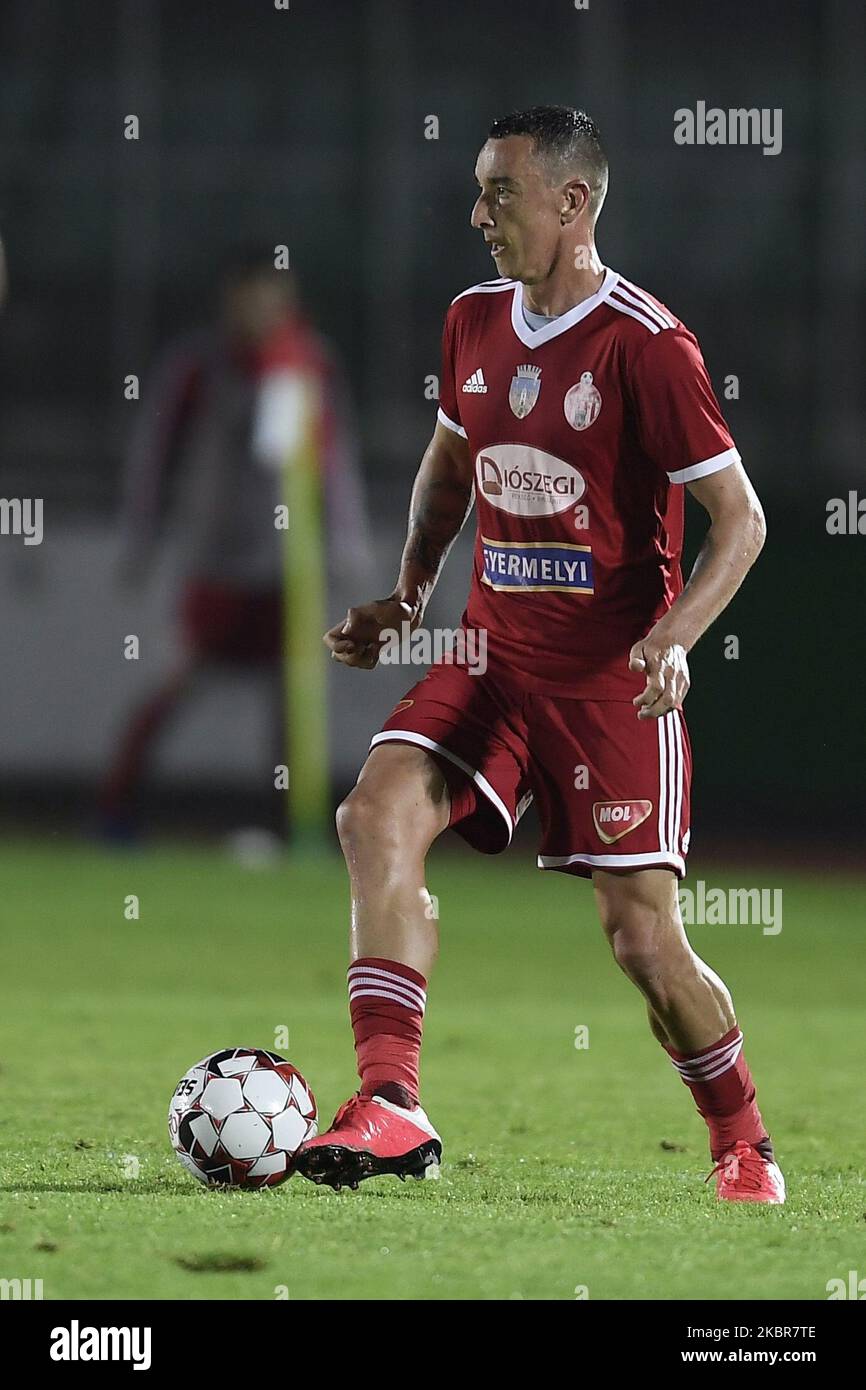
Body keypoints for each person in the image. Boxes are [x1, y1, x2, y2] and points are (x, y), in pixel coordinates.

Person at [303, 106, 783, 1204]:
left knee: (641, 944)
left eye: (498, 194)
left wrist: (670, 639)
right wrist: (407, 592)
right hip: (490, 655)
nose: (477, 216)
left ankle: (741, 1139)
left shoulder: (644, 344)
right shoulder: (471, 321)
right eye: (477, 193)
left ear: (570, 204)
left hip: (605, 681)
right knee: (372, 812)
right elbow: (447, 463)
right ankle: (391, 1099)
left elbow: (739, 518)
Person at [100, 251, 370, 835]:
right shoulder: (197, 366)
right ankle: (118, 810)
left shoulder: (309, 364)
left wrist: (347, 547)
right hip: (213, 566)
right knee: (174, 684)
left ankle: (290, 828)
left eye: (274, 297)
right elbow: (155, 457)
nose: (261, 310)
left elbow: (334, 460)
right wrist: (140, 542)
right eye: (250, 296)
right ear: (230, 299)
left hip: (286, 570)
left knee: (294, 703)